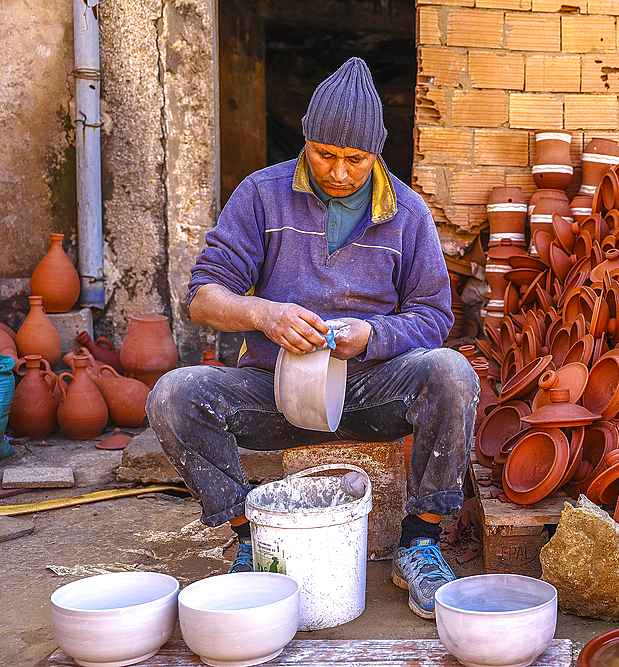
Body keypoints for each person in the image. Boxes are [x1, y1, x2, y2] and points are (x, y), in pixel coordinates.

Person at [146, 57, 479, 620]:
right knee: (174, 395)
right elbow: (203, 295)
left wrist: (372, 335)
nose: (341, 172)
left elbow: (433, 316)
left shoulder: (409, 211)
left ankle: (420, 541)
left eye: (356, 159)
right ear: (306, 140)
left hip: (373, 393)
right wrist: (264, 313)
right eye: (325, 155)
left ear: (377, 152)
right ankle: (248, 538)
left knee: (452, 372)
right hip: (274, 391)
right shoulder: (262, 194)